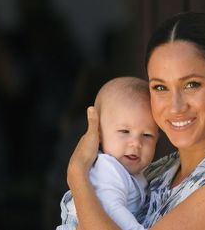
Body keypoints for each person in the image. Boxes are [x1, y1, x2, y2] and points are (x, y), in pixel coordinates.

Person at [66, 12, 205, 230]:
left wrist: (77, 174)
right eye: (160, 87)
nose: (175, 107)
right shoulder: (156, 171)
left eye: (192, 85)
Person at [57, 77, 159, 230]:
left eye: (147, 135)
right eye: (124, 131)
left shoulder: (134, 172)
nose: (136, 143)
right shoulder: (108, 168)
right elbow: (111, 209)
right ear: (99, 132)